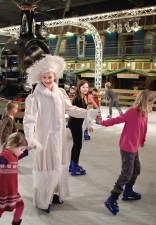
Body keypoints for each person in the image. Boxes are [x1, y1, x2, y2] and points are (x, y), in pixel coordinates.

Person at [23, 55, 99, 213]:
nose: (47, 80)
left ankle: (55, 193)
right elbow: (29, 119)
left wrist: (88, 113)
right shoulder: (35, 97)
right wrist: (29, 137)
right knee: (46, 165)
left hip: (59, 138)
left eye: (49, 77)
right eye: (44, 77)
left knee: (58, 164)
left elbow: (71, 109)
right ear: (40, 77)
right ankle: (43, 200)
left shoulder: (60, 93)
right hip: (44, 138)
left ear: (54, 76)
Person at [99, 90, 155, 215]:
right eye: (151, 103)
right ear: (144, 102)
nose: (152, 106)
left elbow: (144, 128)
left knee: (136, 170)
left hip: (135, 147)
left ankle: (128, 191)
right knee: (127, 173)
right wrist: (102, 122)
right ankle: (112, 198)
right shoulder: (132, 112)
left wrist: (142, 140)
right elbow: (117, 120)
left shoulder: (144, 114)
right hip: (127, 147)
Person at [0, 132, 29, 225]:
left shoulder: (15, 156)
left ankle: (15, 222)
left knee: (21, 206)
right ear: (14, 146)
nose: (22, 152)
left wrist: (33, 145)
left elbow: (26, 152)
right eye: (21, 149)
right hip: (2, 191)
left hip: (12, 190)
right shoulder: (6, 154)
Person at [68, 80, 95, 175]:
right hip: (75, 123)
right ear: (79, 88)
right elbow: (82, 113)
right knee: (78, 145)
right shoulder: (77, 99)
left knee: (76, 144)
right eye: (83, 87)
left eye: (87, 87)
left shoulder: (84, 97)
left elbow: (86, 112)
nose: (85, 89)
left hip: (78, 123)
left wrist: (88, 124)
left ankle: (72, 165)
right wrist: (89, 124)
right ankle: (74, 167)